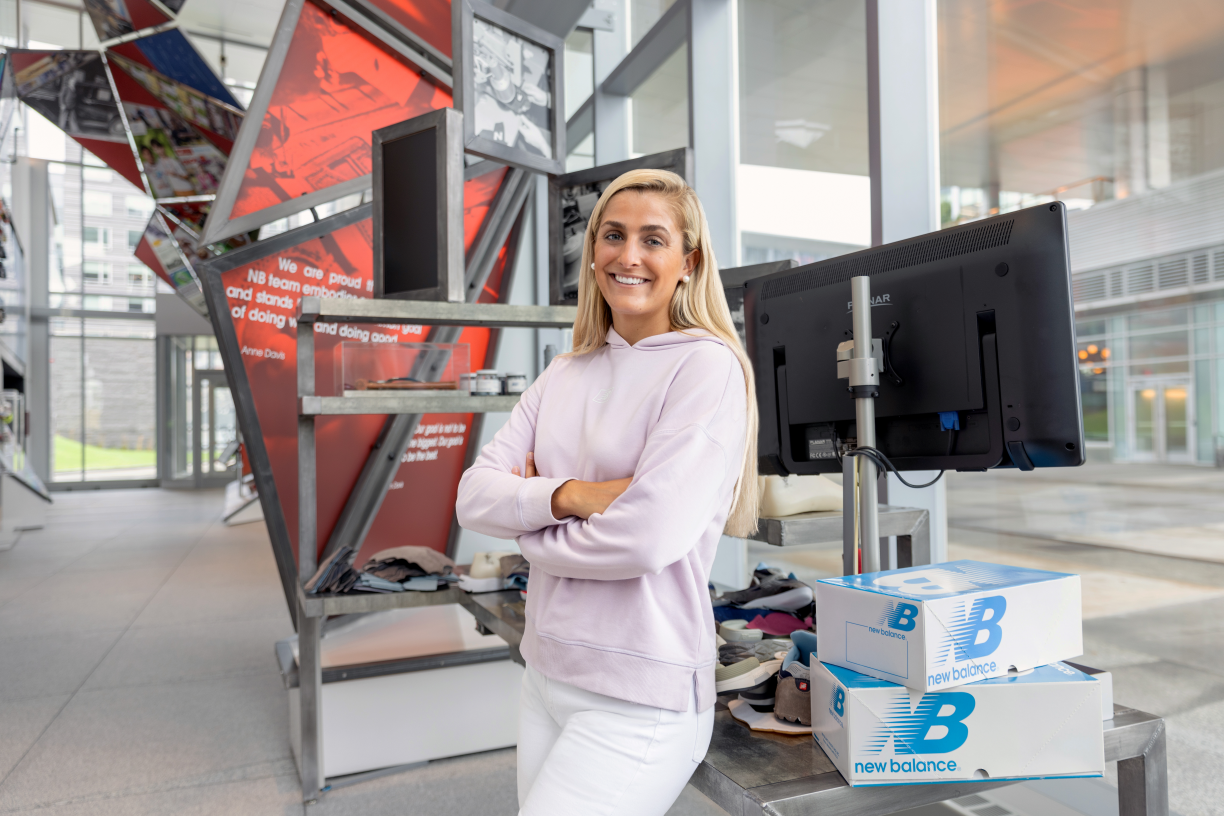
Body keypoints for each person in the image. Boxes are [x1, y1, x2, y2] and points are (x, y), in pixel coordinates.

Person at [455, 169, 760, 815]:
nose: (629, 256)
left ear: (688, 262)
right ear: (593, 252)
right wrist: (570, 496)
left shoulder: (704, 366)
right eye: (613, 236)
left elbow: (646, 540)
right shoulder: (565, 371)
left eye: (653, 239)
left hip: (639, 696)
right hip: (546, 671)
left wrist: (530, 528)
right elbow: (473, 496)